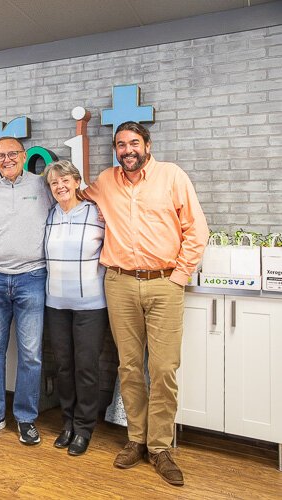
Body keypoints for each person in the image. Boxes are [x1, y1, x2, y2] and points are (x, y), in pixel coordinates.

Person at [83, 121, 208, 486]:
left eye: (134, 143)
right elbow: (76, 197)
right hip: (119, 283)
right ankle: (136, 440)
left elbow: (197, 230)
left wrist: (179, 277)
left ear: (148, 145)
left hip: (164, 283)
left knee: (165, 368)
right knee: (130, 367)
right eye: (121, 145)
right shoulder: (106, 181)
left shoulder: (172, 176)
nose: (127, 150)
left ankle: (160, 447)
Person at [0, 137, 55, 444]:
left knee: (31, 354)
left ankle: (26, 418)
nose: (6, 159)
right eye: (0, 155)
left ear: (24, 155)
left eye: (12, 154)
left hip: (33, 278)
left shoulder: (42, 186)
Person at [42, 160, 108, 456]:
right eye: (54, 183)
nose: (60, 186)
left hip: (91, 304)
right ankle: (67, 423)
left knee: (86, 367)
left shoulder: (97, 212)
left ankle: (84, 428)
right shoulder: (49, 215)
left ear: (77, 180)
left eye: (65, 180)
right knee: (64, 366)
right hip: (55, 302)